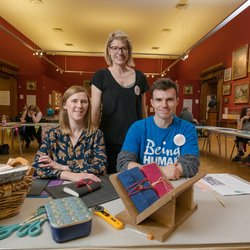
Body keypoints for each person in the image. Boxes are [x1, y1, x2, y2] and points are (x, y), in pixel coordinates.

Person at [117, 78, 200, 180]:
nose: (164, 105)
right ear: (152, 102)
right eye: (159, 100)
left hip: (177, 186)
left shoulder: (187, 128)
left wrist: (144, 170)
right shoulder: (137, 128)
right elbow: (123, 164)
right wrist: (161, 171)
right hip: (145, 187)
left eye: (169, 99)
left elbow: (191, 165)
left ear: (177, 101)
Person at [90, 30, 149, 174]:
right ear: (109, 51)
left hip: (135, 140)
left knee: (136, 180)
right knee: (111, 181)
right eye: (115, 48)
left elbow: (143, 111)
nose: (119, 52)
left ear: (128, 51)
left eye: (123, 48)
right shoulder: (100, 76)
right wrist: (93, 139)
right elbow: (95, 112)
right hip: (109, 140)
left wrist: (147, 135)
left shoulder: (139, 77)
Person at [32, 86, 107, 182]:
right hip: (57, 189)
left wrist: (63, 167)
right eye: (74, 101)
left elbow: (101, 168)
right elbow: (35, 167)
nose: (79, 106)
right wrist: (69, 175)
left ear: (88, 106)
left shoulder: (96, 135)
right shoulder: (53, 134)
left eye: (84, 101)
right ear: (64, 105)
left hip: (87, 189)